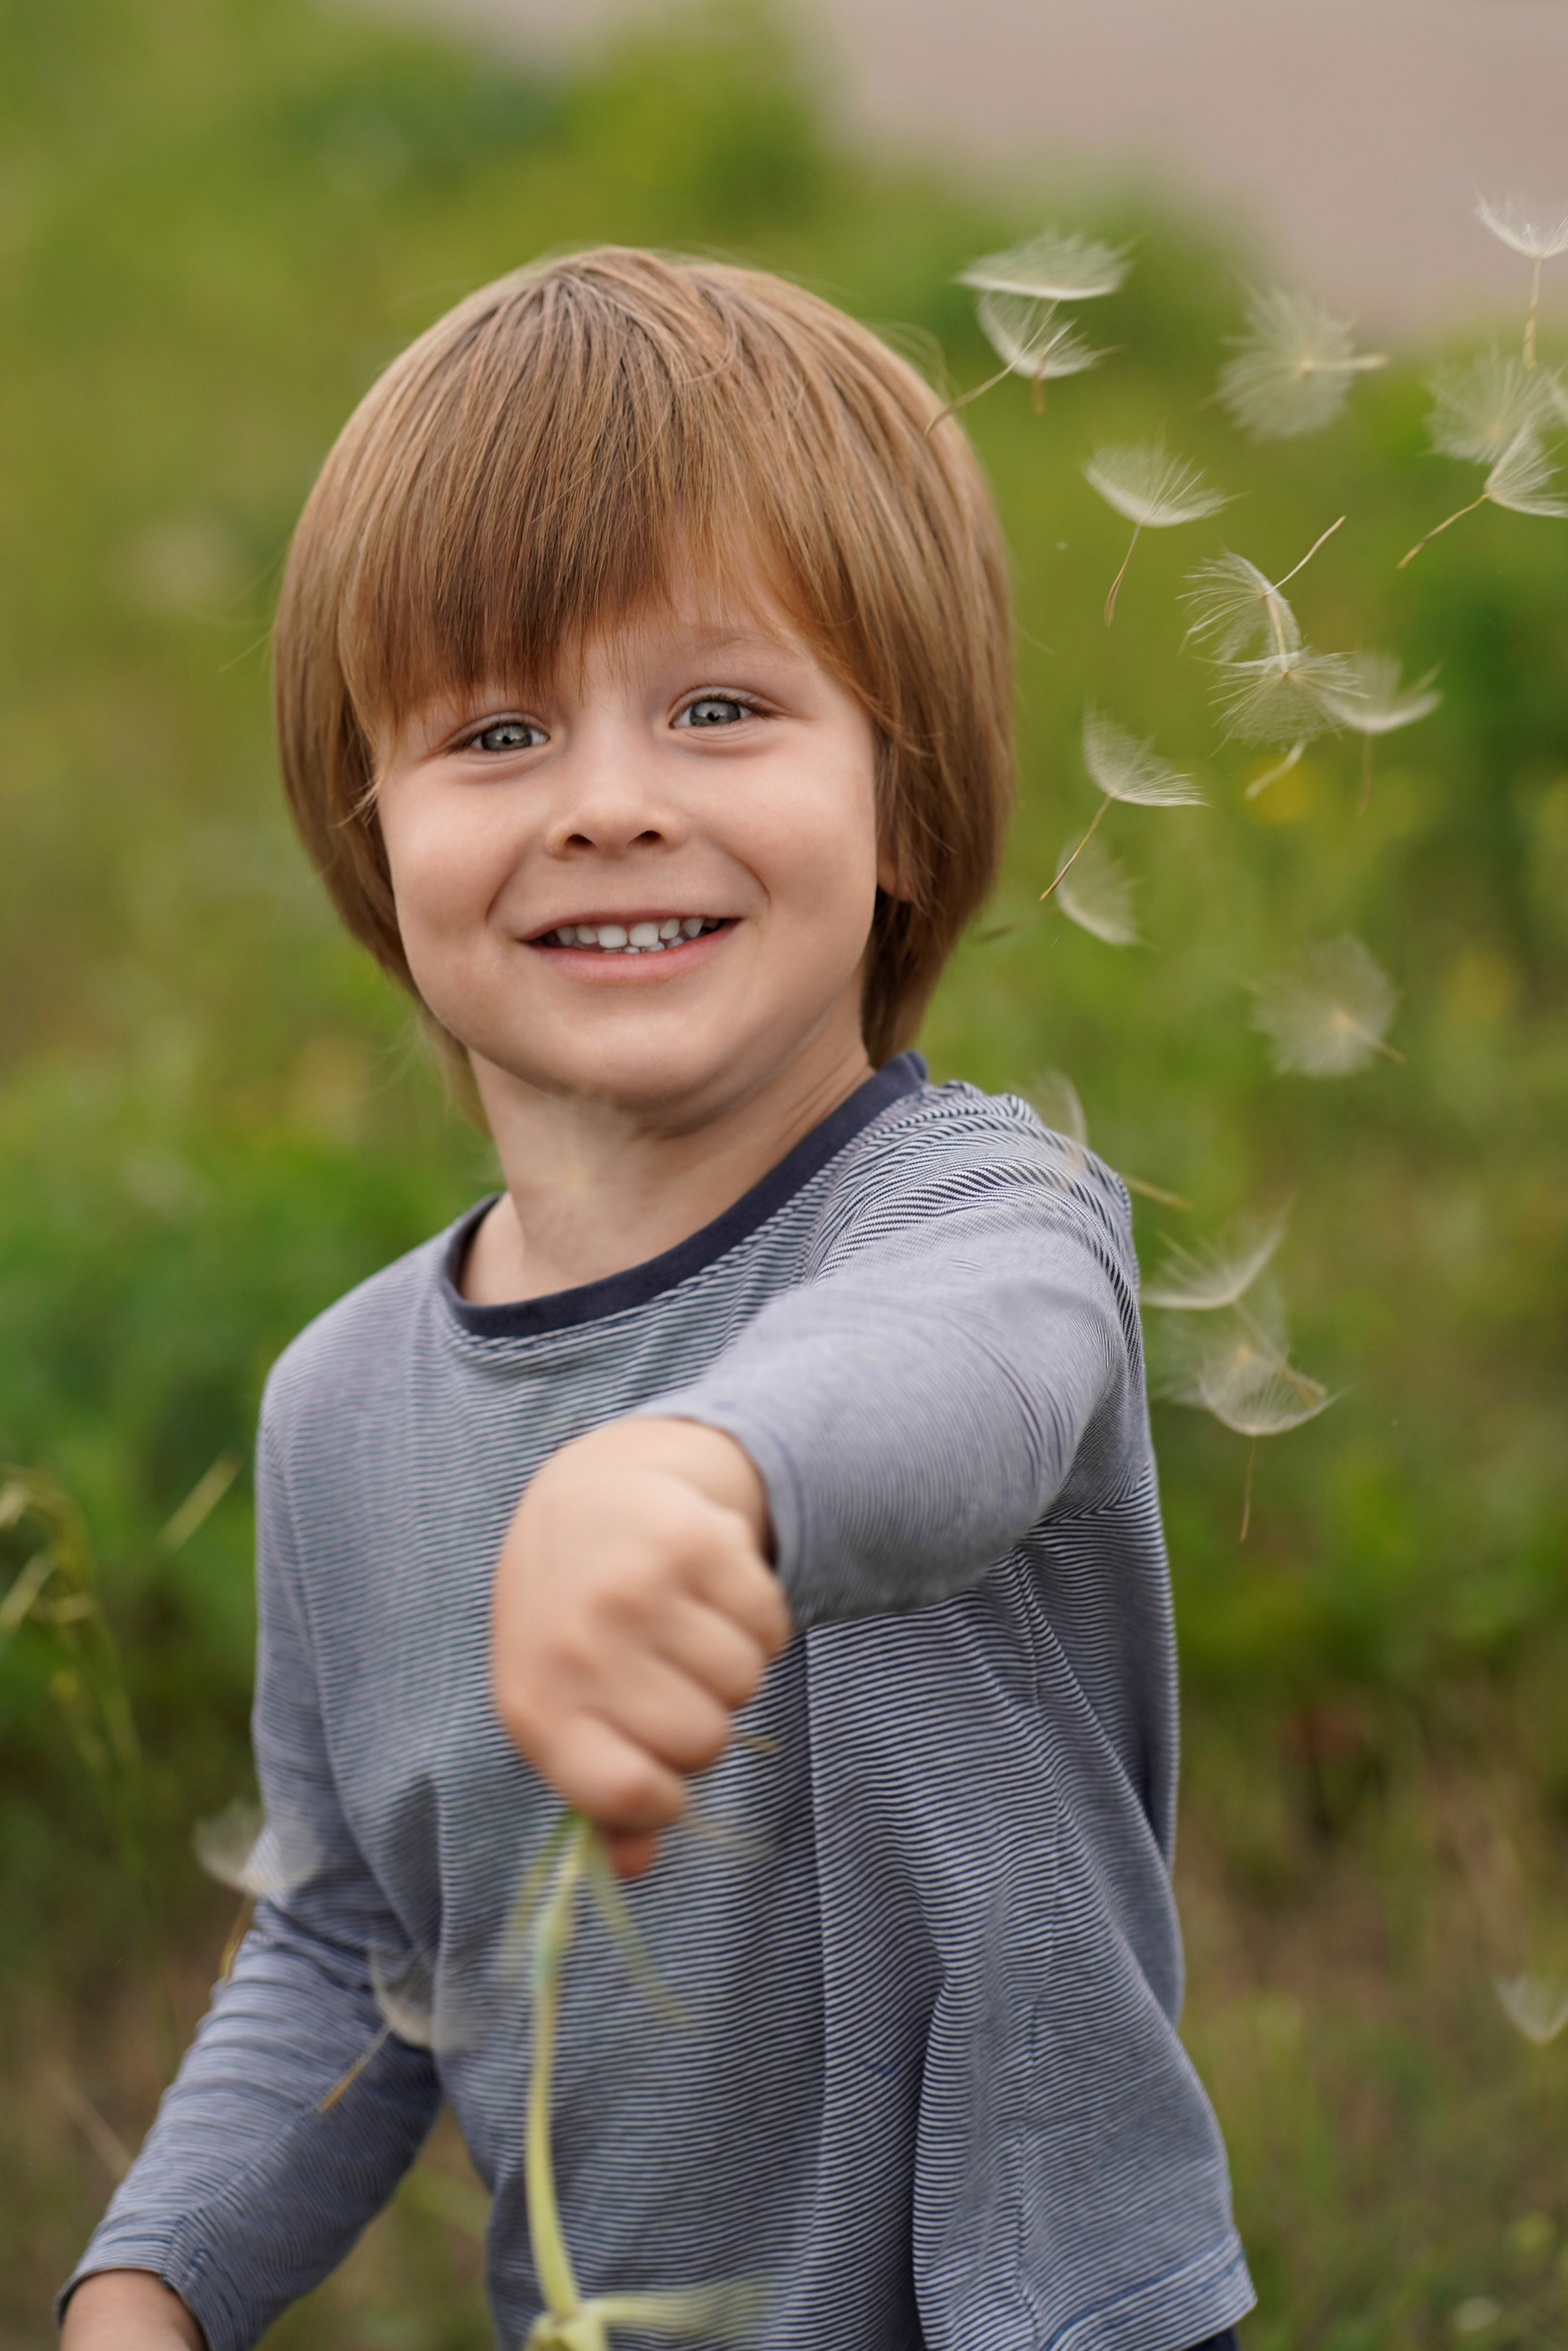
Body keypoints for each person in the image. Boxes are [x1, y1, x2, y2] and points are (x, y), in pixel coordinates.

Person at [60, 248, 1253, 2351]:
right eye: (497, 730)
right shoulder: (346, 1407)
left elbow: (946, 1392)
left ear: (904, 800)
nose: (610, 799)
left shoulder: (982, 1216)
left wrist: (697, 1473)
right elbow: (356, 1948)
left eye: (718, 707)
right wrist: (150, 2285)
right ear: (376, 833)